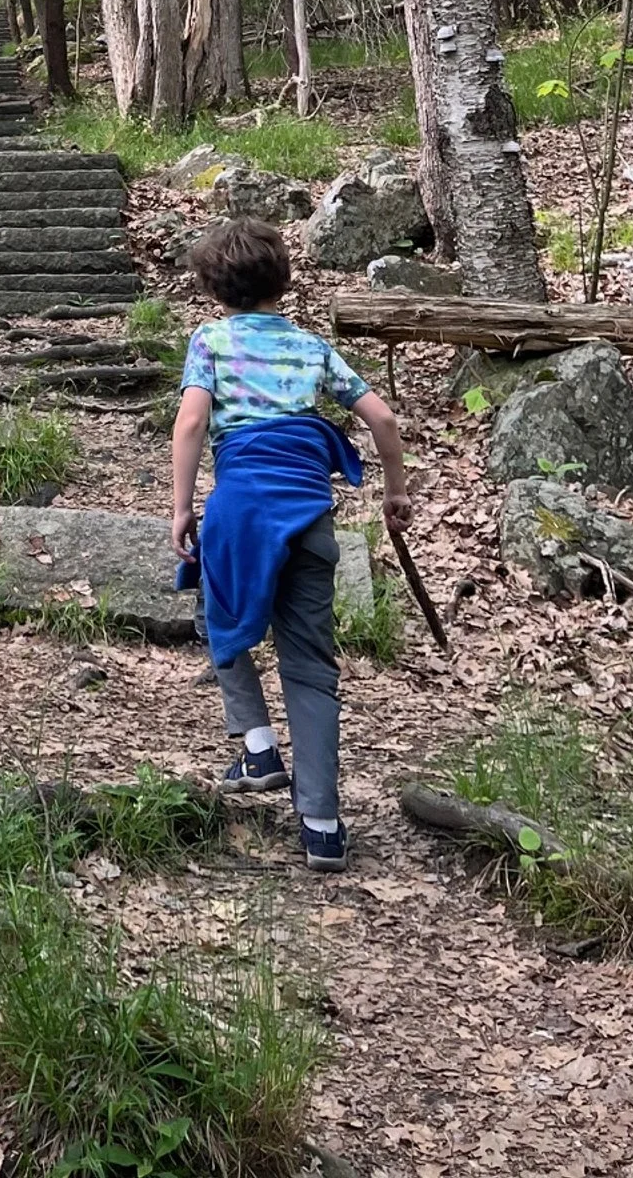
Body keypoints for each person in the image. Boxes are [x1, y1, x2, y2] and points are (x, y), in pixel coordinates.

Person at [168, 216, 410, 873]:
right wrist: (394, 492)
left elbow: (191, 421)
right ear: (282, 281)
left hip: (241, 510)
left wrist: (181, 507)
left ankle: (257, 744)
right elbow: (382, 418)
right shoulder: (310, 348)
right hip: (310, 519)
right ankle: (323, 825)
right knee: (309, 663)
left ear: (213, 286)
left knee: (215, 614)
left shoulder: (211, 341)